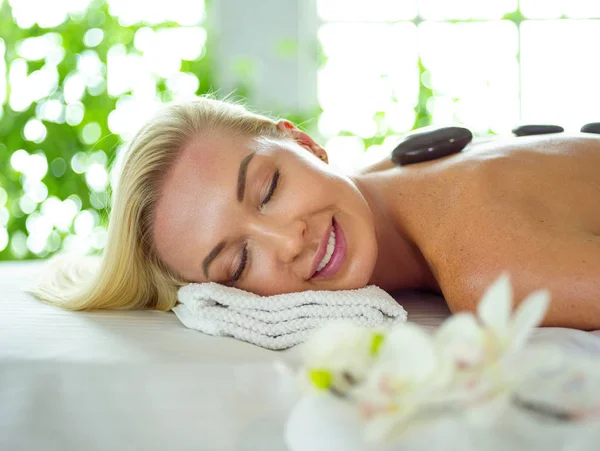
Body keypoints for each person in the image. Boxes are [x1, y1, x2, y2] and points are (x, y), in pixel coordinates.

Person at [28, 96, 600, 330]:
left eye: (269, 188)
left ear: (302, 143)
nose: (289, 240)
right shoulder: (389, 178)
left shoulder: (487, 273)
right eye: (237, 263)